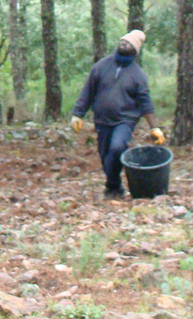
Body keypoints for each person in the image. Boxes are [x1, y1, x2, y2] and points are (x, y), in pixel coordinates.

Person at [69, 30, 164, 198]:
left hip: (125, 120)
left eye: (128, 43)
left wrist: (154, 128)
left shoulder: (138, 75)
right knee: (105, 155)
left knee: (117, 147)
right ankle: (115, 187)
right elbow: (87, 91)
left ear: (134, 50)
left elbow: (145, 103)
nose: (123, 44)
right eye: (122, 41)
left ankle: (112, 185)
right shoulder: (101, 66)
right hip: (102, 120)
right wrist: (78, 114)